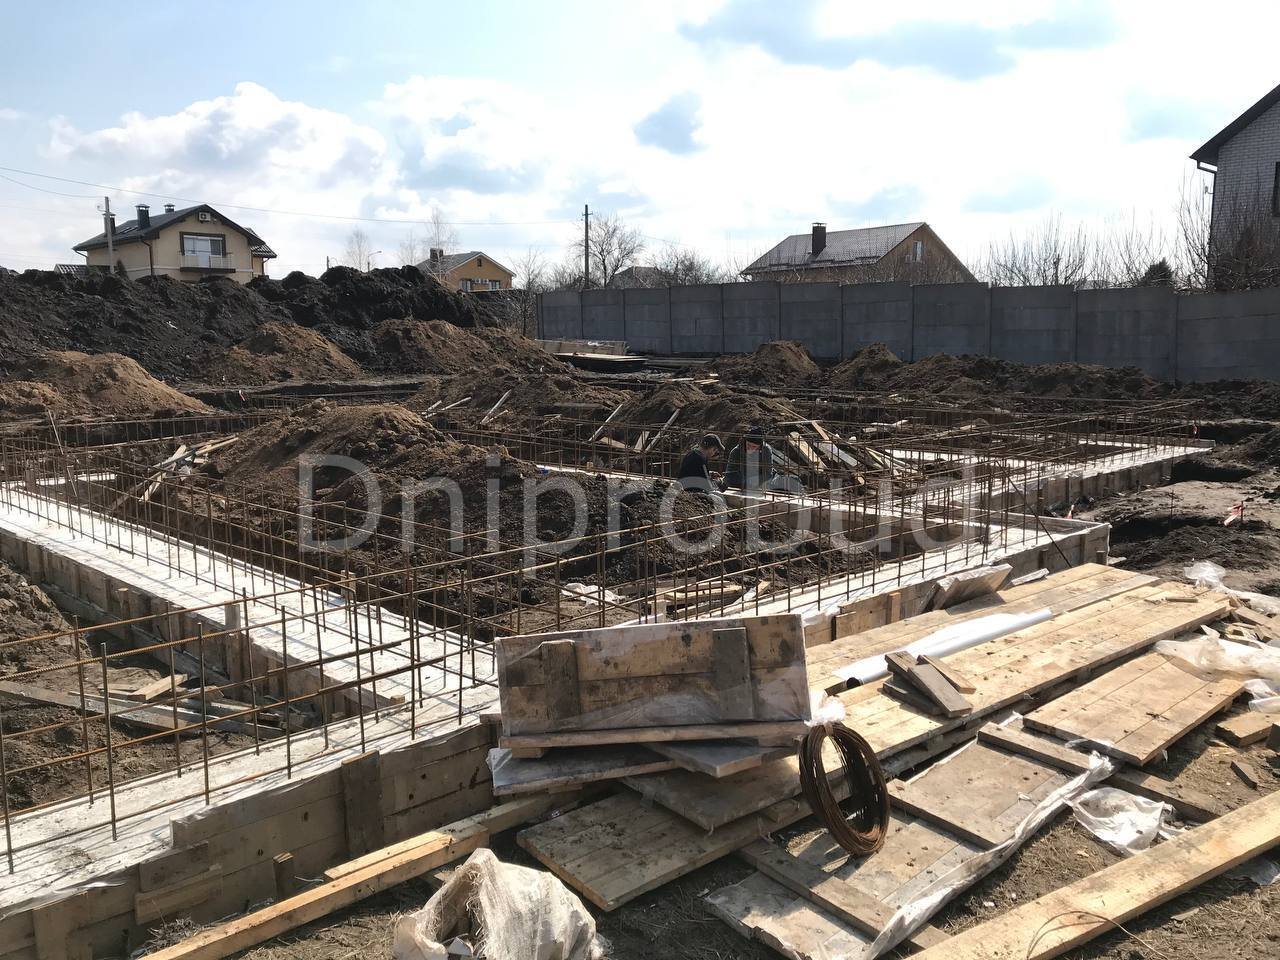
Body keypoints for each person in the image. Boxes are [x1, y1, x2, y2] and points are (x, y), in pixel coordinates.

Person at [724, 425, 803, 493]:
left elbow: (768, 474)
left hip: (763, 480)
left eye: (754, 446)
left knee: (793, 481)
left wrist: (755, 481)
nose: (750, 448)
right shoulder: (736, 451)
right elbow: (729, 475)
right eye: (748, 445)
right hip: (743, 480)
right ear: (745, 441)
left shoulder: (766, 450)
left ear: (760, 446)